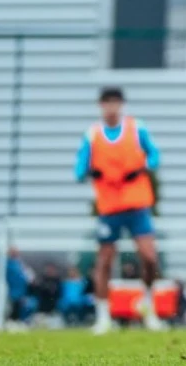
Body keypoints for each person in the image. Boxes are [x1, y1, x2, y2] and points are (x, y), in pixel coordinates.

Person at [74, 86, 165, 334]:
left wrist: (144, 167)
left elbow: (155, 155)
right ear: (101, 106)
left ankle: (148, 307)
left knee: (149, 257)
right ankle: (103, 315)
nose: (112, 108)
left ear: (121, 105)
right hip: (109, 207)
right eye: (107, 103)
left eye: (116, 103)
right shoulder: (92, 135)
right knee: (104, 260)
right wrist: (89, 172)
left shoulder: (137, 128)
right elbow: (78, 169)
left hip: (137, 205)